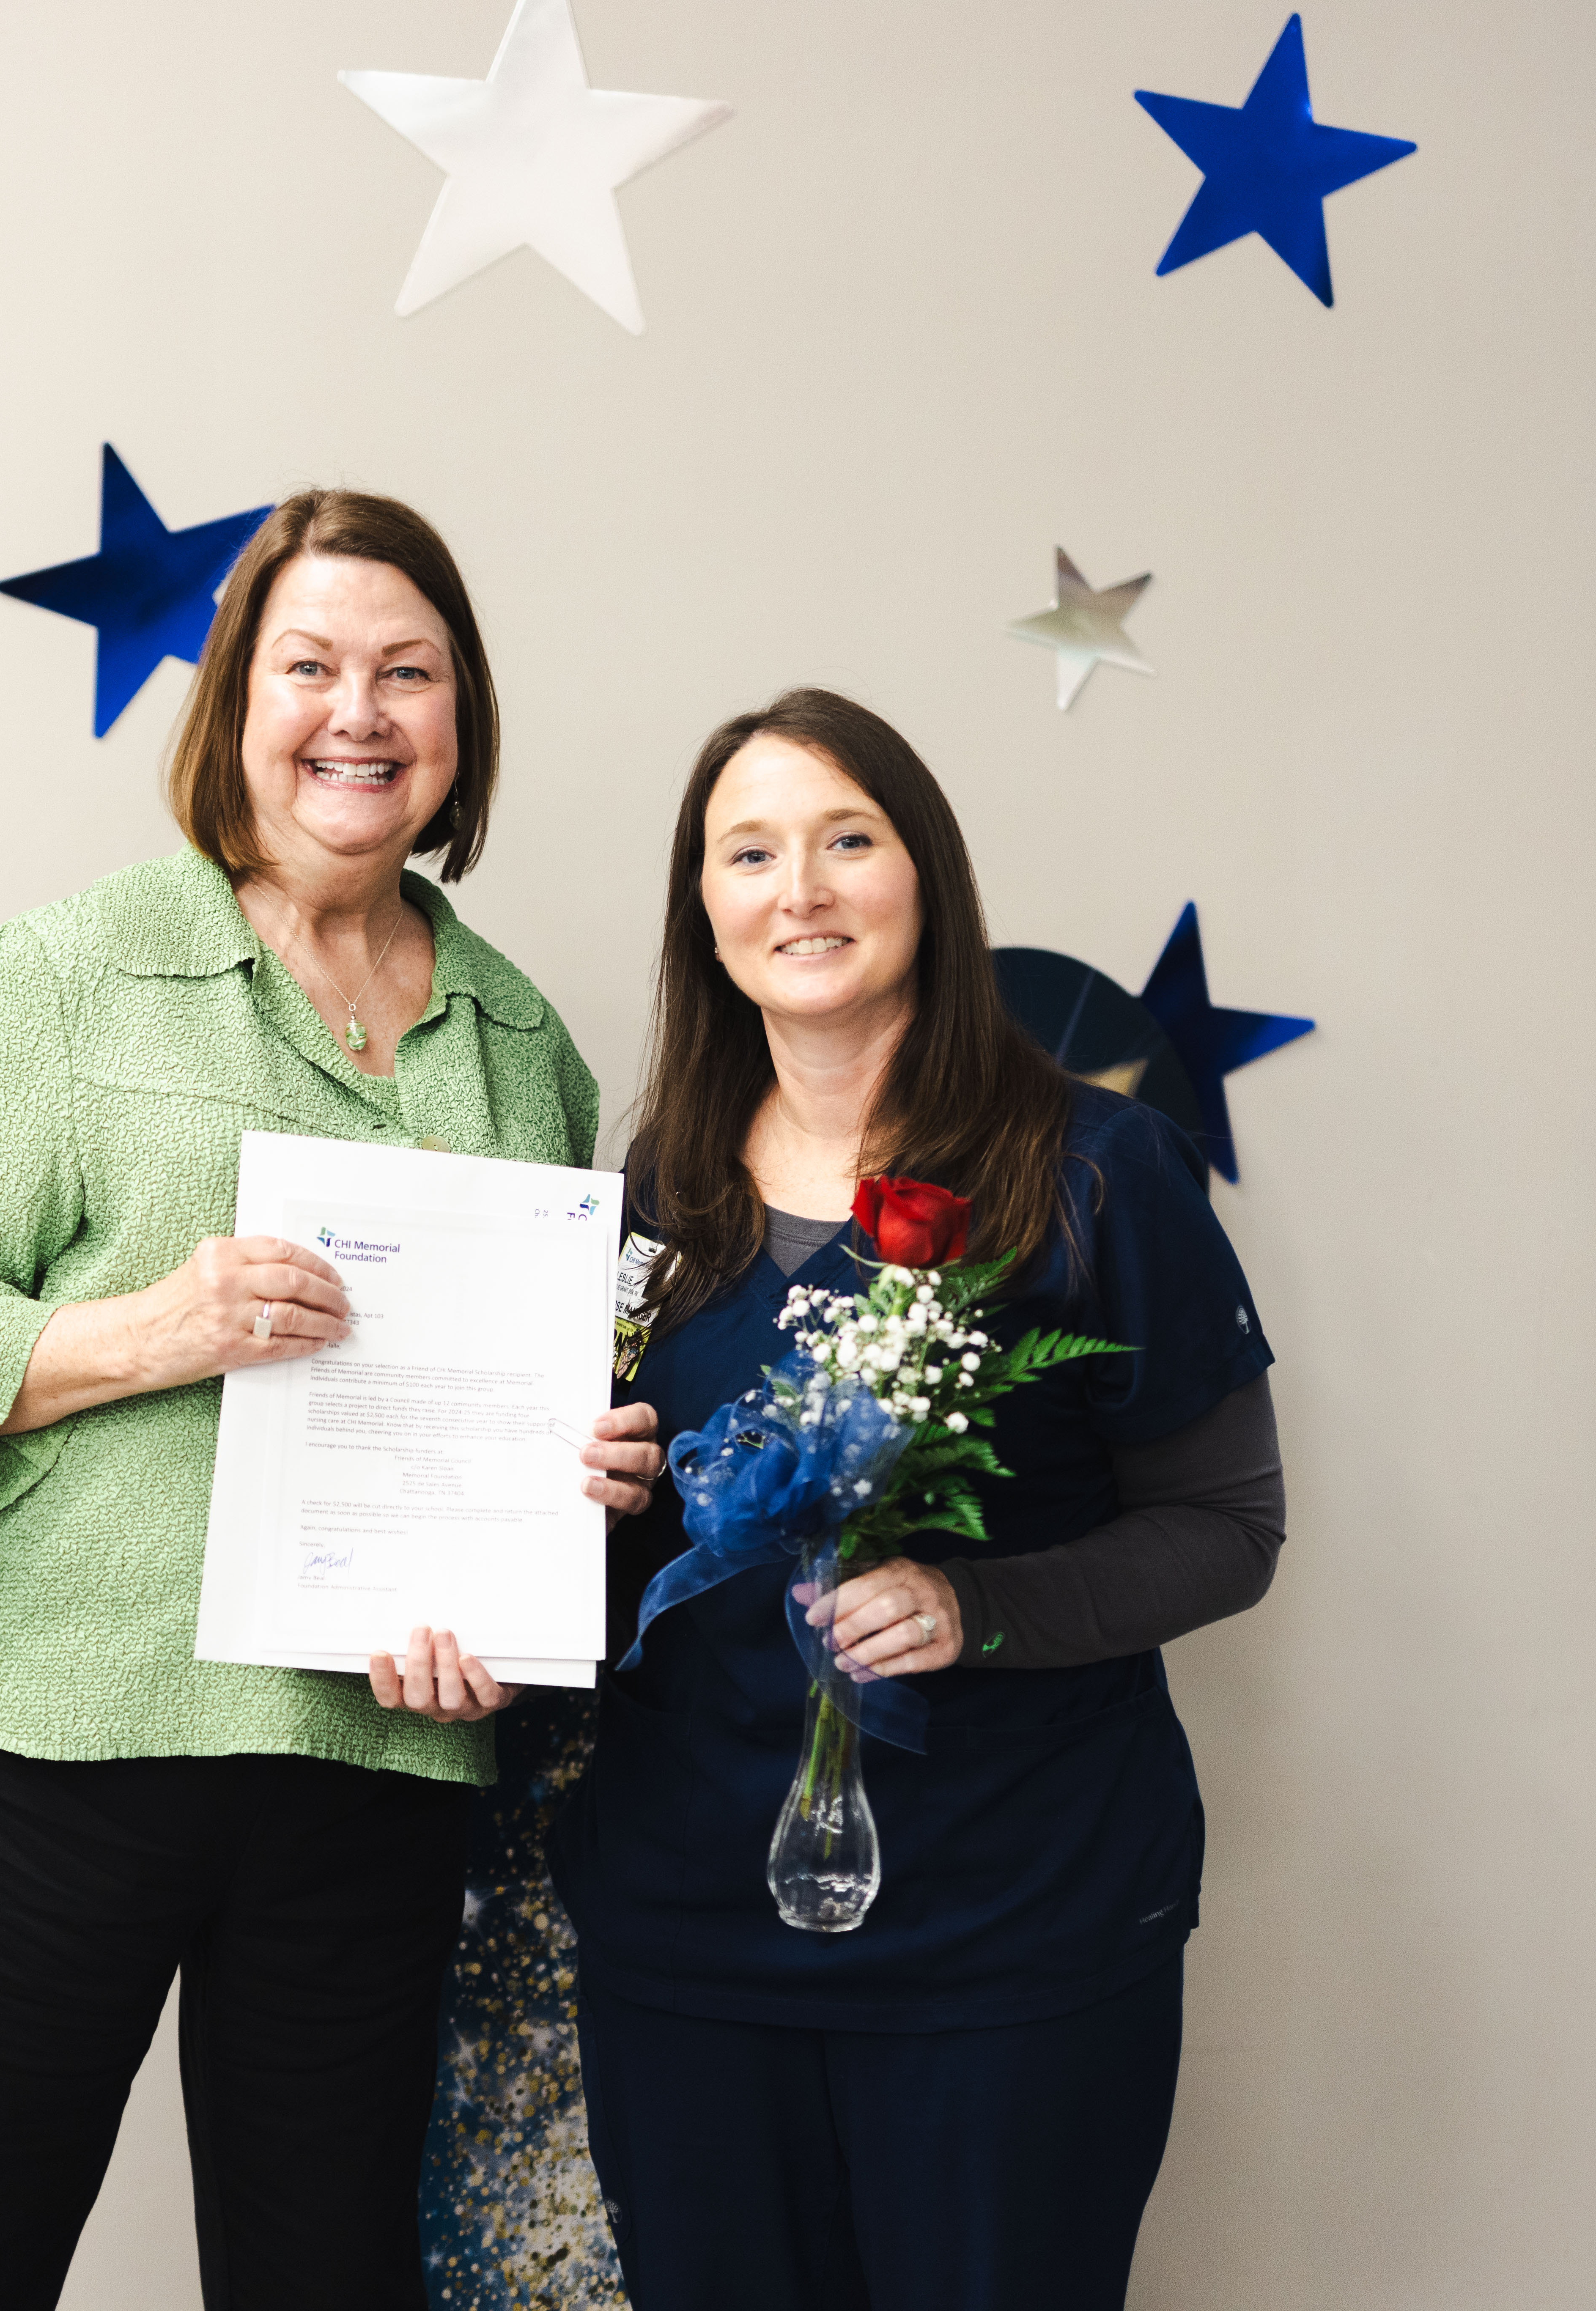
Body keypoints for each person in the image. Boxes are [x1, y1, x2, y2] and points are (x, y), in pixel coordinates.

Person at [0, 489, 662, 2311]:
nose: (359, 712)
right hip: (51, 1745)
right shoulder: (73, 968)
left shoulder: (527, 1047)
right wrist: (154, 1327)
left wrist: (564, 1512)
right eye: (311, 666)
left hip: (372, 1771)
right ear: (237, 705)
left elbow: (518, 1407)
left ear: (460, 718)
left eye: (407, 672)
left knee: (325, 2280)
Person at [549, 689, 1288, 2311]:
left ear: (927, 877)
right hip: (689, 1937)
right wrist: (577, 1513)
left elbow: (1230, 1528)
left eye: (847, 840)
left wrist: (977, 1606)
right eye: (750, 854)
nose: (799, 890)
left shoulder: (1096, 1171)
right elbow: (616, 1572)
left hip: (1012, 1935)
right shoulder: (652, 1193)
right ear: (704, 910)